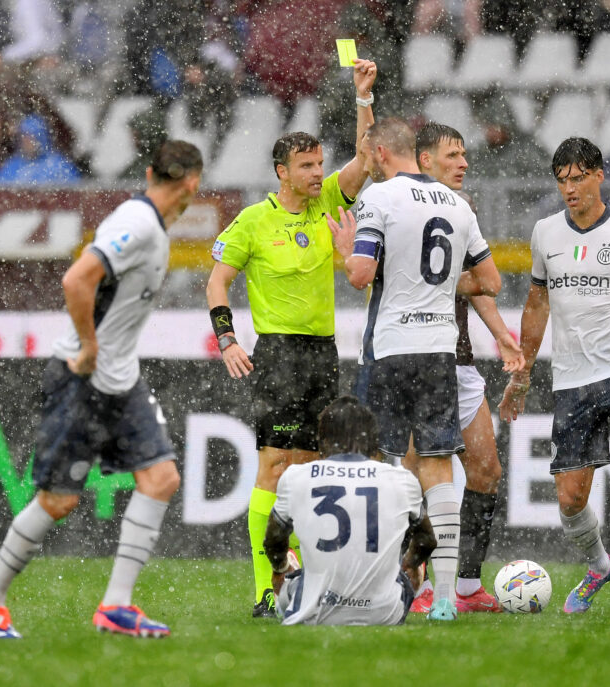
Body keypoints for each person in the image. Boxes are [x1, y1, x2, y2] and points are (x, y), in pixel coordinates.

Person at [0, 140, 204, 639]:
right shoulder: (137, 224)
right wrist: (91, 347)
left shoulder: (148, 225)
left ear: (148, 172)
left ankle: (116, 607)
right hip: (83, 378)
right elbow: (77, 280)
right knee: (58, 500)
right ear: (192, 183)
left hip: (122, 380)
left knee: (160, 479)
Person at [205, 58, 377, 619]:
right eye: (306, 165)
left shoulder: (329, 199)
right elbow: (217, 280)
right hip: (277, 354)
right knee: (274, 464)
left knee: (305, 470)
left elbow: (367, 159)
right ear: (281, 171)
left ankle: (296, 574)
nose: (315, 172)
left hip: (322, 354)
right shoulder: (253, 221)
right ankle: (263, 587)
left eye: (318, 164)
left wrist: (361, 98)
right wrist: (228, 339)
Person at [327, 116, 505, 621]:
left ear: (381, 153)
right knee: (438, 468)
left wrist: (347, 252)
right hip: (440, 351)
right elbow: (488, 279)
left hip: (391, 348)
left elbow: (361, 276)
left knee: (385, 467)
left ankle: (381, 587)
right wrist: (438, 286)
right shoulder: (458, 204)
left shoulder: (378, 200)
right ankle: (445, 598)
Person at [499, 136, 610, 618]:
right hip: (570, 381)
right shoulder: (544, 233)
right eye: (562, 180)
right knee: (570, 499)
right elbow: (536, 305)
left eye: (578, 178)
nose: (570, 189)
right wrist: (521, 377)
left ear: (600, 175)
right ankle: (599, 566)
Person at [405, 121, 525, 614]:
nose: (464, 163)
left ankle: (467, 586)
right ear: (425, 159)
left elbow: (480, 284)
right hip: (413, 360)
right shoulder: (400, 207)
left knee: (486, 470)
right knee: (417, 479)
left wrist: (501, 336)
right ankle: (418, 584)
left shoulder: (463, 209)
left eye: (464, 154)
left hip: (459, 360)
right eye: (453, 155)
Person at [262, 396, 438, 625]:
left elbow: (274, 540)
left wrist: (280, 569)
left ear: (322, 439)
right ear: (372, 440)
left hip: (316, 612)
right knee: (413, 564)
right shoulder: (402, 480)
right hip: (383, 613)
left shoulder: (296, 477)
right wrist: (409, 565)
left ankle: (290, 589)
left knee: (289, 569)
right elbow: (427, 541)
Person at [0, 113, 83, 185]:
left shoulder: (59, 166)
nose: (26, 142)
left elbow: (72, 195)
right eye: (23, 137)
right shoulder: (11, 167)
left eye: (31, 137)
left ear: (41, 139)